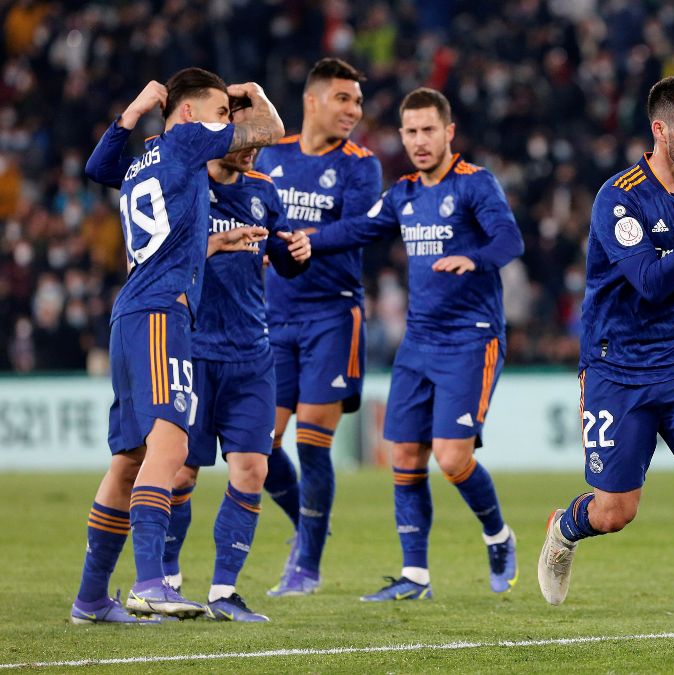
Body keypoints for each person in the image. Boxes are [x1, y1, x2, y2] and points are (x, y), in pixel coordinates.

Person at [535, 75, 674, 648]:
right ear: (661, 130)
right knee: (615, 512)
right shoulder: (621, 196)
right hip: (618, 367)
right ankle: (564, 528)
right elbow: (650, 283)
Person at [83, 92, 313, 623]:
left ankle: (220, 592)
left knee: (248, 466)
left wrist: (292, 252)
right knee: (174, 469)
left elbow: (276, 253)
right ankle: (157, 577)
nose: (250, 144)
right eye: (234, 125)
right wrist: (248, 93)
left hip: (249, 349)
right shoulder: (186, 170)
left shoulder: (261, 190)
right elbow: (266, 129)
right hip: (183, 337)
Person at [307, 87, 523, 601]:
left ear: (449, 133)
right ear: (401, 136)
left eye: (430, 130)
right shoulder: (403, 193)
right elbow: (360, 228)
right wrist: (309, 241)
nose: (420, 140)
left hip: (471, 339)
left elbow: (509, 240)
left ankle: (498, 534)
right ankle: (415, 577)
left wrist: (475, 259)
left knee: (451, 459)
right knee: (403, 454)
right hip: (419, 340)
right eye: (411, 131)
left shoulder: (475, 185)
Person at [253, 58, 383, 596]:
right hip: (274, 316)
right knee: (260, 446)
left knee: (311, 440)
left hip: (332, 314)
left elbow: (364, 225)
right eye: (343, 99)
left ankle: (306, 565)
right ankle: (310, 527)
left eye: (357, 101)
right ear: (312, 101)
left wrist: (313, 239)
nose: (354, 110)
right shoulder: (272, 155)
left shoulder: (361, 163)